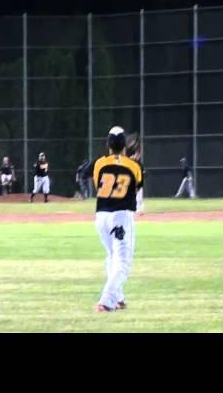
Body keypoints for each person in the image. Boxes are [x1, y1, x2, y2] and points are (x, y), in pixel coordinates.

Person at [92, 126, 143, 313]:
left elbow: (99, 184)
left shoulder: (98, 163)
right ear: (124, 146)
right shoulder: (134, 166)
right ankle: (106, 300)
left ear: (108, 144)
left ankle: (118, 298)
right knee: (123, 262)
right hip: (121, 215)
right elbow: (135, 189)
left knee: (112, 256)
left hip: (101, 216)